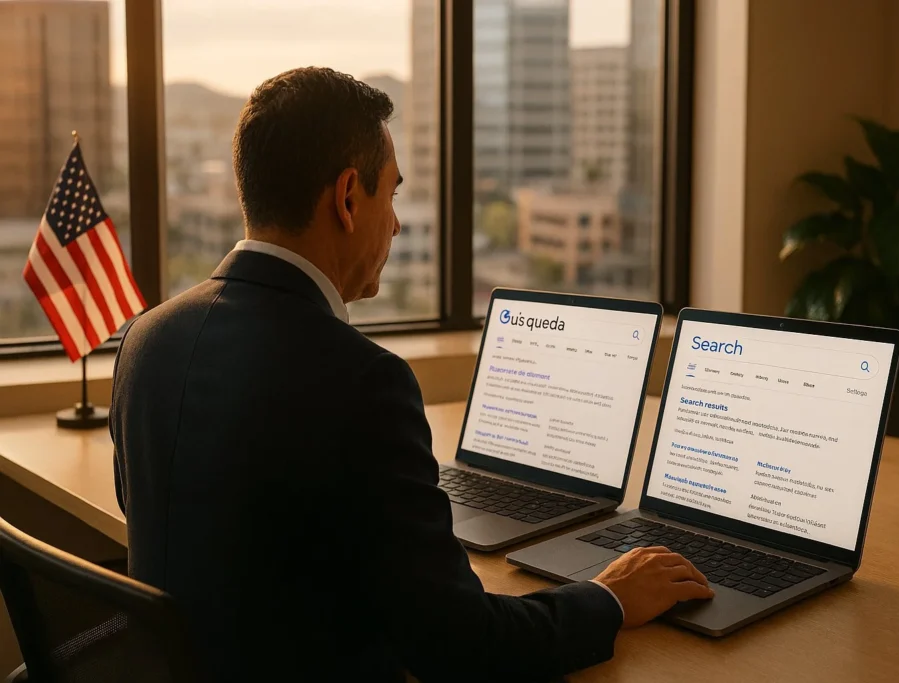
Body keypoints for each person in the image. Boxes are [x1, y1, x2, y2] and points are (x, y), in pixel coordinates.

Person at [110, 66, 713, 683]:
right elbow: (463, 648)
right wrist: (608, 598)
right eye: (392, 196)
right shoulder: (363, 382)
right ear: (348, 198)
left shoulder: (145, 340)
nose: (395, 224)